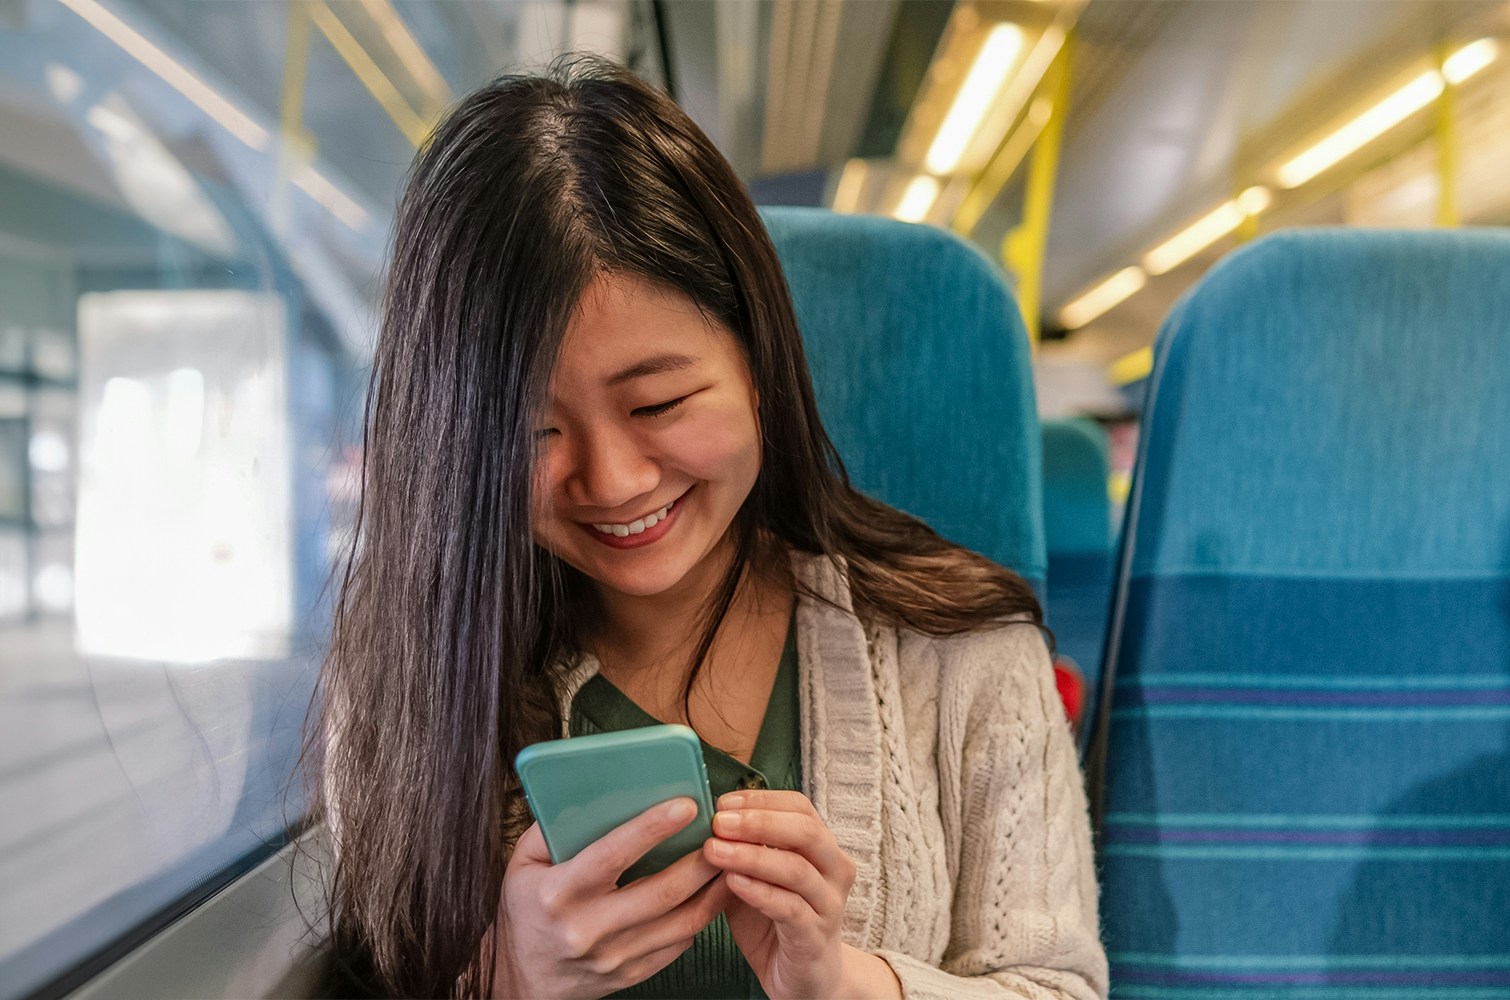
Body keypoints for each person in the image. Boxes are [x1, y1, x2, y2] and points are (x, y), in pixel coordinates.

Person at [307, 53, 1107, 1000]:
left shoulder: (966, 651)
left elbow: (1056, 988)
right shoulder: (410, 676)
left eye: (658, 404)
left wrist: (843, 985)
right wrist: (508, 979)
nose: (613, 480)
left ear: (760, 362)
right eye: (531, 433)